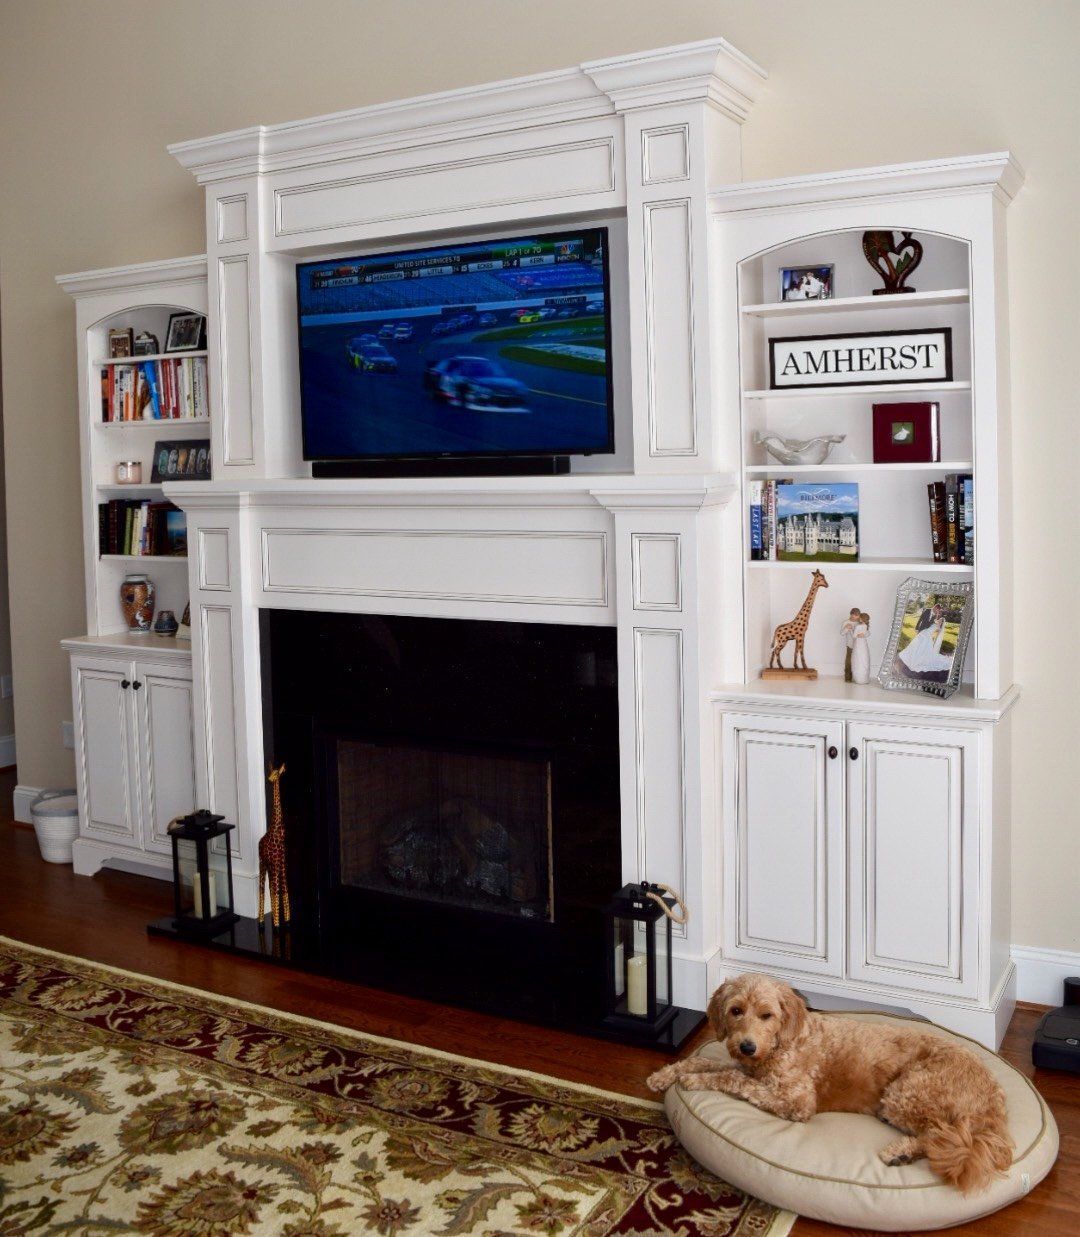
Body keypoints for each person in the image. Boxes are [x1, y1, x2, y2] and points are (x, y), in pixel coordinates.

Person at [897, 603, 952, 679]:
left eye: (939, 611)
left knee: (921, 645)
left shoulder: (936, 617)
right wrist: (917, 628)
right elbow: (921, 619)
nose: (938, 612)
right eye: (937, 610)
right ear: (935, 607)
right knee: (917, 644)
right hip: (922, 631)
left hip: (926, 633)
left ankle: (917, 656)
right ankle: (913, 654)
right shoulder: (927, 610)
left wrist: (936, 623)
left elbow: (935, 626)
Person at [841, 607, 861, 682]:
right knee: (849, 661)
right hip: (850, 645)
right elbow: (842, 633)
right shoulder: (846, 622)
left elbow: (866, 632)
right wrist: (846, 628)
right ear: (851, 614)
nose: (855, 617)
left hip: (859, 645)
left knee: (858, 661)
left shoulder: (860, 622)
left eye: (857, 615)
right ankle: (848, 677)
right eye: (854, 615)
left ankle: (858, 677)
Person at [851, 612, 871, 684]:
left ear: (862, 619)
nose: (859, 618)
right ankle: (864, 678)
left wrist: (851, 630)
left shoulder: (858, 626)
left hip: (858, 643)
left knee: (858, 658)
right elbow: (868, 633)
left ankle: (858, 678)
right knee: (863, 658)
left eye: (860, 617)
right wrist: (864, 635)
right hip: (863, 643)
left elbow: (854, 636)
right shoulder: (866, 626)